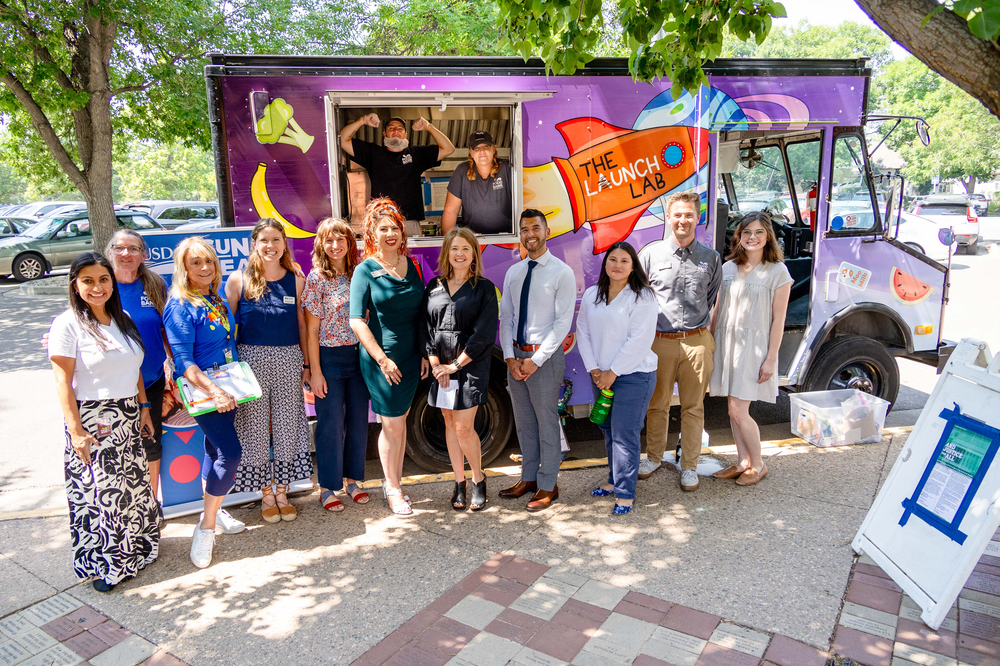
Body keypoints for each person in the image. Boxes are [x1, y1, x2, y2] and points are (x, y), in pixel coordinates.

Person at [49, 252, 159, 592]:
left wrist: (142, 407)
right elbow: (62, 383)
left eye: (103, 280)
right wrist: (75, 431)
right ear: (75, 285)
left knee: (133, 489)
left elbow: (134, 367)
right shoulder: (67, 324)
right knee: (103, 496)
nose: (97, 287)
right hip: (94, 420)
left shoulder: (122, 317)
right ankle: (108, 564)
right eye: (88, 281)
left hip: (127, 413)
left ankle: (137, 552)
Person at [164, 237, 245, 569]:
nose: (204, 268)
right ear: (184, 268)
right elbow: (184, 361)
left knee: (213, 450)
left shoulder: (216, 299)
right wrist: (216, 390)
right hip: (206, 392)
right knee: (231, 454)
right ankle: (206, 527)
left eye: (209, 261)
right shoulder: (180, 305)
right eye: (196, 262)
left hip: (229, 387)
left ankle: (215, 510)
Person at [225, 219, 313, 523]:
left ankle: (283, 491)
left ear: (284, 243)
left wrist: (306, 364)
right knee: (255, 429)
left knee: (289, 425)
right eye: (264, 240)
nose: (270, 246)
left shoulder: (296, 279)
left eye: (276, 240)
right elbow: (228, 329)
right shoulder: (238, 280)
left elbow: (302, 324)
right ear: (254, 243)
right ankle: (264, 493)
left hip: (289, 358)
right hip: (250, 362)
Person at [638, 191, 722, 492]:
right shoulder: (649, 255)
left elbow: (711, 298)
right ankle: (653, 458)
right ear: (669, 218)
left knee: (693, 406)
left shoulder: (711, 258)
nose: (683, 220)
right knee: (657, 404)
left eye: (688, 214)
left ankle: (689, 465)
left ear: (697, 218)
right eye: (677, 214)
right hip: (659, 342)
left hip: (697, 342)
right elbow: (641, 298)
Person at [350, 198, 429, 516]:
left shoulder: (412, 266)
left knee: (400, 423)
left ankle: (394, 482)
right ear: (372, 233)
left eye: (395, 228)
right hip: (383, 362)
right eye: (383, 229)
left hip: (411, 359)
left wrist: (424, 353)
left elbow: (421, 314)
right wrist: (382, 359)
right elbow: (356, 320)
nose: (390, 233)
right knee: (391, 424)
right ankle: (393, 487)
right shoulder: (364, 270)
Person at [498, 209, 575, 512]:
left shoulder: (561, 272)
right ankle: (528, 477)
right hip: (516, 357)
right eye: (524, 229)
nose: (530, 234)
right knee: (525, 424)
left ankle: (548, 484)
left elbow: (562, 323)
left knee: (546, 423)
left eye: (535, 228)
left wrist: (536, 360)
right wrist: (509, 357)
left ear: (547, 231)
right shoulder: (514, 272)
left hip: (544, 358)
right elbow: (506, 318)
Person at [709, 212, 792, 486]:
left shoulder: (778, 271)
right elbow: (718, 308)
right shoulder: (728, 267)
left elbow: (779, 319)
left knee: (738, 410)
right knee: (732, 408)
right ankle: (742, 461)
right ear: (739, 236)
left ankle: (758, 464)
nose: (752, 237)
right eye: (747, 232)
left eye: (758, 232)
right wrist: (709, 341)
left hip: (754, 348)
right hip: (727, 343)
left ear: (767, 236)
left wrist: (771, 359)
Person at [576, 242, 658, 514]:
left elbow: (640, 340)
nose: (617, 265)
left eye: (624, 261)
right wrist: (594, 369)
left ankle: (625, 494)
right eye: (612, 259)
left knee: (625, 434)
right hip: (600, 375)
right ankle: (613, 481)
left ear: (633, 266)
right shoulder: (591, 295)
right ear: (605, 264)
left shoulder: (643, 296)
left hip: (634, 375)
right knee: (609, 430)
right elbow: (583, 333)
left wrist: (613, 372)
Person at [423, 227, 499, 511]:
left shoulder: (484, 289)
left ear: (473, 254)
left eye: (466, 249)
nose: (460, 254)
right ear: (447, 252)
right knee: (448, 423)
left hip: (469, 367)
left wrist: (454, 365)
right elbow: (427, 329)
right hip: (440, 369)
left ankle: (478, 479)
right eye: (455, 248)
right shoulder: (433, 287)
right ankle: (459, 483)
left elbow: (483, 335)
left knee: (464, 427)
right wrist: (435, 364)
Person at [303, 218, 370, 512]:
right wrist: (315, 371)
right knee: (330, 425)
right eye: (329, 240)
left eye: (340, 239)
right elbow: (311, 331)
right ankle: (328, 487)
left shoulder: (359, 273)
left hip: (358, 357)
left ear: (349, 243)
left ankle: (353, 480)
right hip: (329, 360)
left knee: (358, 421)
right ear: (321, 244)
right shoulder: (317, 279)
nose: (335, 245)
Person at [105, 230, 171, 506]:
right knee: (113, 448)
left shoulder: (154, 284)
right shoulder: (101, 285)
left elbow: (166, 328)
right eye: (119, 248)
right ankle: (119, 506)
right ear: (110, 253)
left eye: (133, 249)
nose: (126, 254)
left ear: (144, 255)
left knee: (150, 443)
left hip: (152, 380)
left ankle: (150, 505)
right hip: (112, 386)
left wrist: (174, 364)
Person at [340, 114, 456, 224]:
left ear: (406, 135)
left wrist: (428, 127)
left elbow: (448, 148)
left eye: (400, 129)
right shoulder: (373, 153)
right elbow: (342, 140)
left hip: (410, 221)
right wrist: (362, 120)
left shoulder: (417, 154)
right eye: (391, 128)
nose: (396, 131)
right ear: (384, 134)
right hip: (382, 220)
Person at [441, 130, 512, 235]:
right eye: (477, 148)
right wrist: (446, 242)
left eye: (486, 147)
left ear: (494, 149)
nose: (481, 151)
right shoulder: (462, 170)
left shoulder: (507, 168)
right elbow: (451, 210)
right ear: (470, 152)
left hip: (507, 239)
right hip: (471, 240)